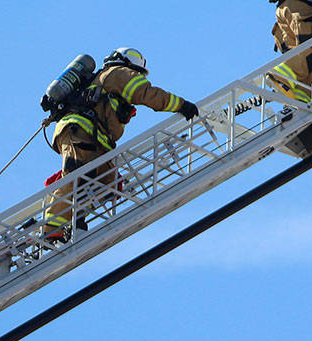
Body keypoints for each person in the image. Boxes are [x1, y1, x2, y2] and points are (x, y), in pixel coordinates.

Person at [42, 47, 198, 241]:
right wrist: (182, 105)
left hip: (94, 139)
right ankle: (51, 228)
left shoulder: (106, 79)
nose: (138, 77)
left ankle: (76, 215)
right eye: (138, 73)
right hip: (80, 131)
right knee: (76, 175)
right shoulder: (117, 73)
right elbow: (146, 93)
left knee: (109, 182)